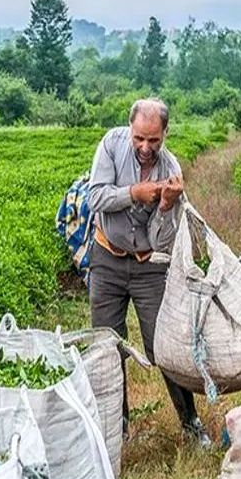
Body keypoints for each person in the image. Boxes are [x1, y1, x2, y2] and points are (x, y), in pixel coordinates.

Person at [87, 98, 211, 447]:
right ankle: (118, 428)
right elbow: (95, 198)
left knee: (165, 346)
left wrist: (167, 205)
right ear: (131, 129)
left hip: (147, 268)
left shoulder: (170, 169)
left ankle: (191, 424)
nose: (145, 147)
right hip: (106, 260)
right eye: (139, 138)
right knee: (108, 347)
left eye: (153, 140)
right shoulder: (111, 146)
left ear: (165, 134)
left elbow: (162, 239)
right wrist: (134, 194)